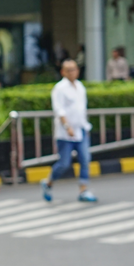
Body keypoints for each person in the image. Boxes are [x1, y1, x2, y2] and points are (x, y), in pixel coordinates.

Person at [42, 59, 96, 203]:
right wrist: (67, 126)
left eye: (74, 69)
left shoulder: (80, 86)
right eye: (69, 70)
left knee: (85, 159)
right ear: (63, 72)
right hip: (65, 133)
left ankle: (83, 190)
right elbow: (59, 110)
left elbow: (81, 110)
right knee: (64, 163)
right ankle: (48, 183)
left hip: (81, 130)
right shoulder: (59, 88)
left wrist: (85, 126)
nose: (72, 72)